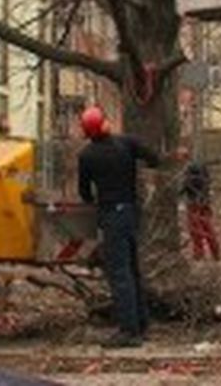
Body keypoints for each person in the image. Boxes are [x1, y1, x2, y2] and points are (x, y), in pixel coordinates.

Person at [77, 106, 162, 348]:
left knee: (119, 273)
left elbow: (84, 193)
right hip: (131, 213)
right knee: (132, 269)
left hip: (111, 216)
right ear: (105, 123)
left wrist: (96, 201)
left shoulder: (87, 156)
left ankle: (129, 331)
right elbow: (154, 159)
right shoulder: (127, 143)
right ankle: (141, 324)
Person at [181, 151, 220, 262]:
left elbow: (184, 186)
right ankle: (215, 253)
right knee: (207, 226)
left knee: (195, 229)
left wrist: (181, 193)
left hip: (194, 202)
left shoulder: (188, 168)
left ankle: (199, 254)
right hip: (204, 201)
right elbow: (208, 182)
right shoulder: (201, 165)